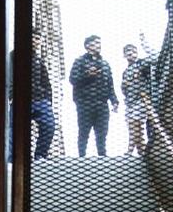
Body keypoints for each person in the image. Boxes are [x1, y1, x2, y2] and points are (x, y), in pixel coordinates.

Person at [8, 30, 57, 161]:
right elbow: (7, 76)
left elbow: (46, 83)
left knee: (49, 125)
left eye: (38, 39)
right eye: (33, 38)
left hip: (40, 100)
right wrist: (11, 94)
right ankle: (12, 159)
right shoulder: (14, 55)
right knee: (13, 129)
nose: (35, 41)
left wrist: (48, 101)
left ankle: (40, 155)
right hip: (21, 99)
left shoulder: (39, 61)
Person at [68, 34, 118, 157]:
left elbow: (110, 84)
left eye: (99, 42)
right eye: (96, 43)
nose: (99, 45)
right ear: (88, 46)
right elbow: (72, 79)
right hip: (85, 102)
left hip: (102, 103)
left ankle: (102, 156)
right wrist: (88, 75)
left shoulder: (105, 64)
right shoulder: (79, 61)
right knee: (84, 131)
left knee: (102, 132)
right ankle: (82, 157)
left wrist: (114, 100)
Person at [120, 42, 155, 156]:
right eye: (128, 52)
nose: (131, 53)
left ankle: (130, 150)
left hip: (142, 99)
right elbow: (124, 91)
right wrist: (124, 86)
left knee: (135, 124)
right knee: (134, 127)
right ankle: (141, 152)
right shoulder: (125, 72)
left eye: (133, 51)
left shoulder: (141, 63)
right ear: (124, 56)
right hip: (130, 102)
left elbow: (154, 57)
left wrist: (144, 43)